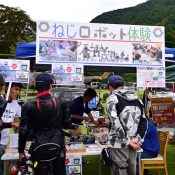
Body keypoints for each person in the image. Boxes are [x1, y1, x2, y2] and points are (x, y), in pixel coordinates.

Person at [18, 73, 72, 175]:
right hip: (58, 147)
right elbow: (67, 125)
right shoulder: (62, 102)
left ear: (36, 86)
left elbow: (23, 130)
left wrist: (21, 151)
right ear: (50, 86)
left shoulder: (27, 105)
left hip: (39, 148)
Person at [106, 75, 147, 175]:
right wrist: (137, 139)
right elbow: (144, 122)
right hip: (133, 143)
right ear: (122, 85)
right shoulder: (138, 100)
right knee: (131, 170)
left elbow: (115, 122)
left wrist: (128, 141)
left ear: (110, 87)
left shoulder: (112, 98)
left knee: (120, 170)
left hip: (117, 144)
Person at [0, 81, 22, 175]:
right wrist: (12, 123)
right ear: (8, 89)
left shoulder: (16, 105)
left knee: (3, 168)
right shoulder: (1, 100)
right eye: (16, 89)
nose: (18, 92)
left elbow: (23, 120)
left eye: (19, 90)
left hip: (5, 143)